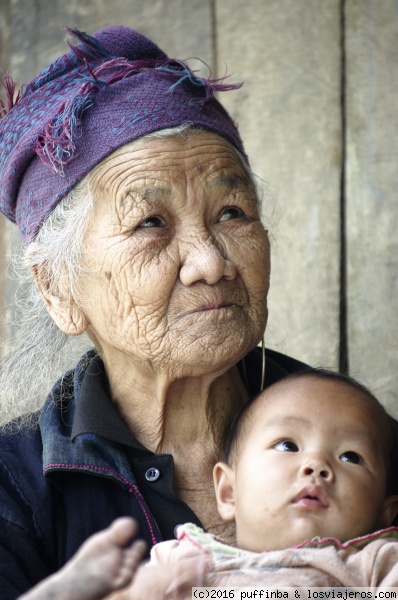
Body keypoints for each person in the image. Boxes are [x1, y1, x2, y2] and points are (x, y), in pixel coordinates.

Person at [0, 25, 309, 599]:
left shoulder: (354, 436)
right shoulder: (13, 488)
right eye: (151, 224)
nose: (210, 262)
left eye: (233, 212)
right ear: (57, 288)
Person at [20, 369, 398, 598]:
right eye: (288, 445)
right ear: (228, 492)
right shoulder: (187, 558)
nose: (316, 465)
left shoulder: (374, 564)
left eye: (351, 456)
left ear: (386, 511)